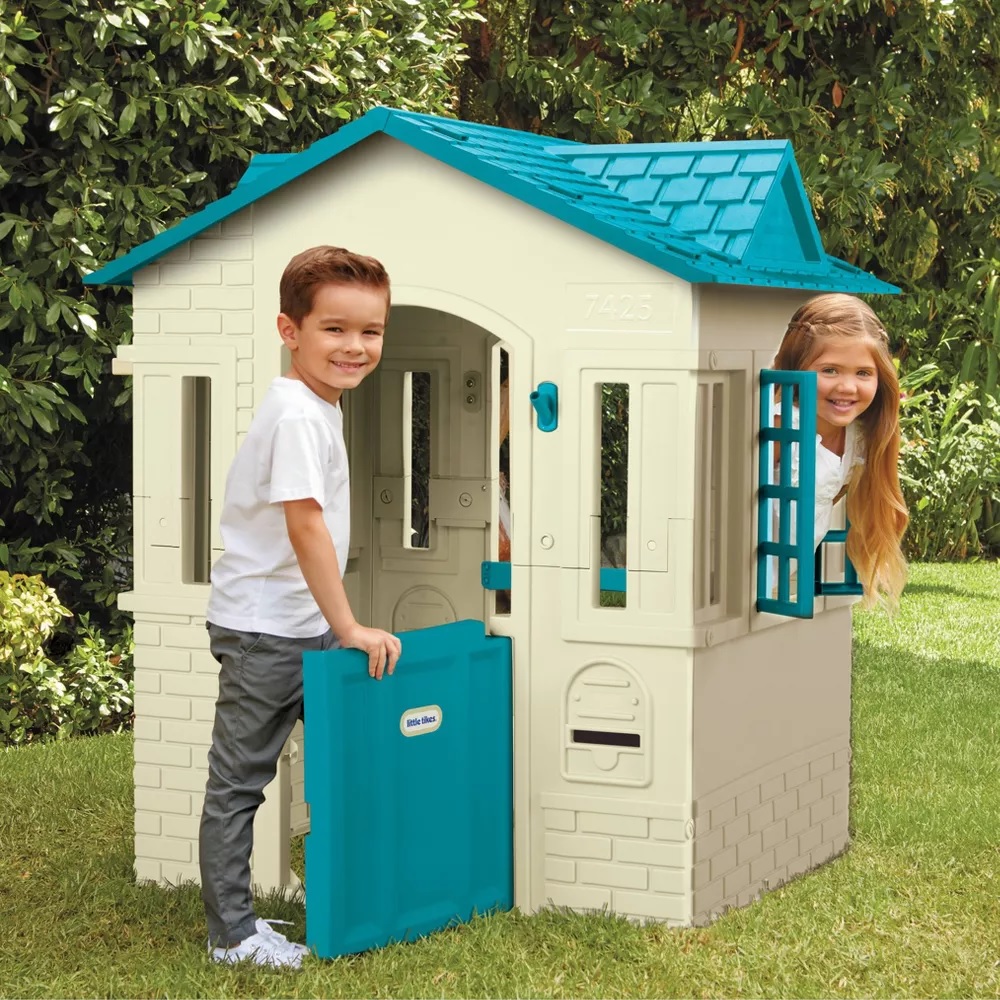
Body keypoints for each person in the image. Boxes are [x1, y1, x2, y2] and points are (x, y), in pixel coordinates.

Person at [200, 246, 402, 969]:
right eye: (334, 329)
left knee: (349, 755)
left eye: (370, 331)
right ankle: (233, 937)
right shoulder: (294, 415)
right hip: (264, 631)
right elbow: (304, 523)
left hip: (300, 624)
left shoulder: (317, 408)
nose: (354, 346)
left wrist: (330, 626)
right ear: (290, 331)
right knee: (240, 783)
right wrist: (345, 625)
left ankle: (348, 897)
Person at [772, 292, 908, 608]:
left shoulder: (858, 437)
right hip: (729, 575)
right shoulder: (782, 426)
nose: (847, 386)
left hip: (773, 583)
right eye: (830, 370)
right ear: (797, 368)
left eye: (863, 373)